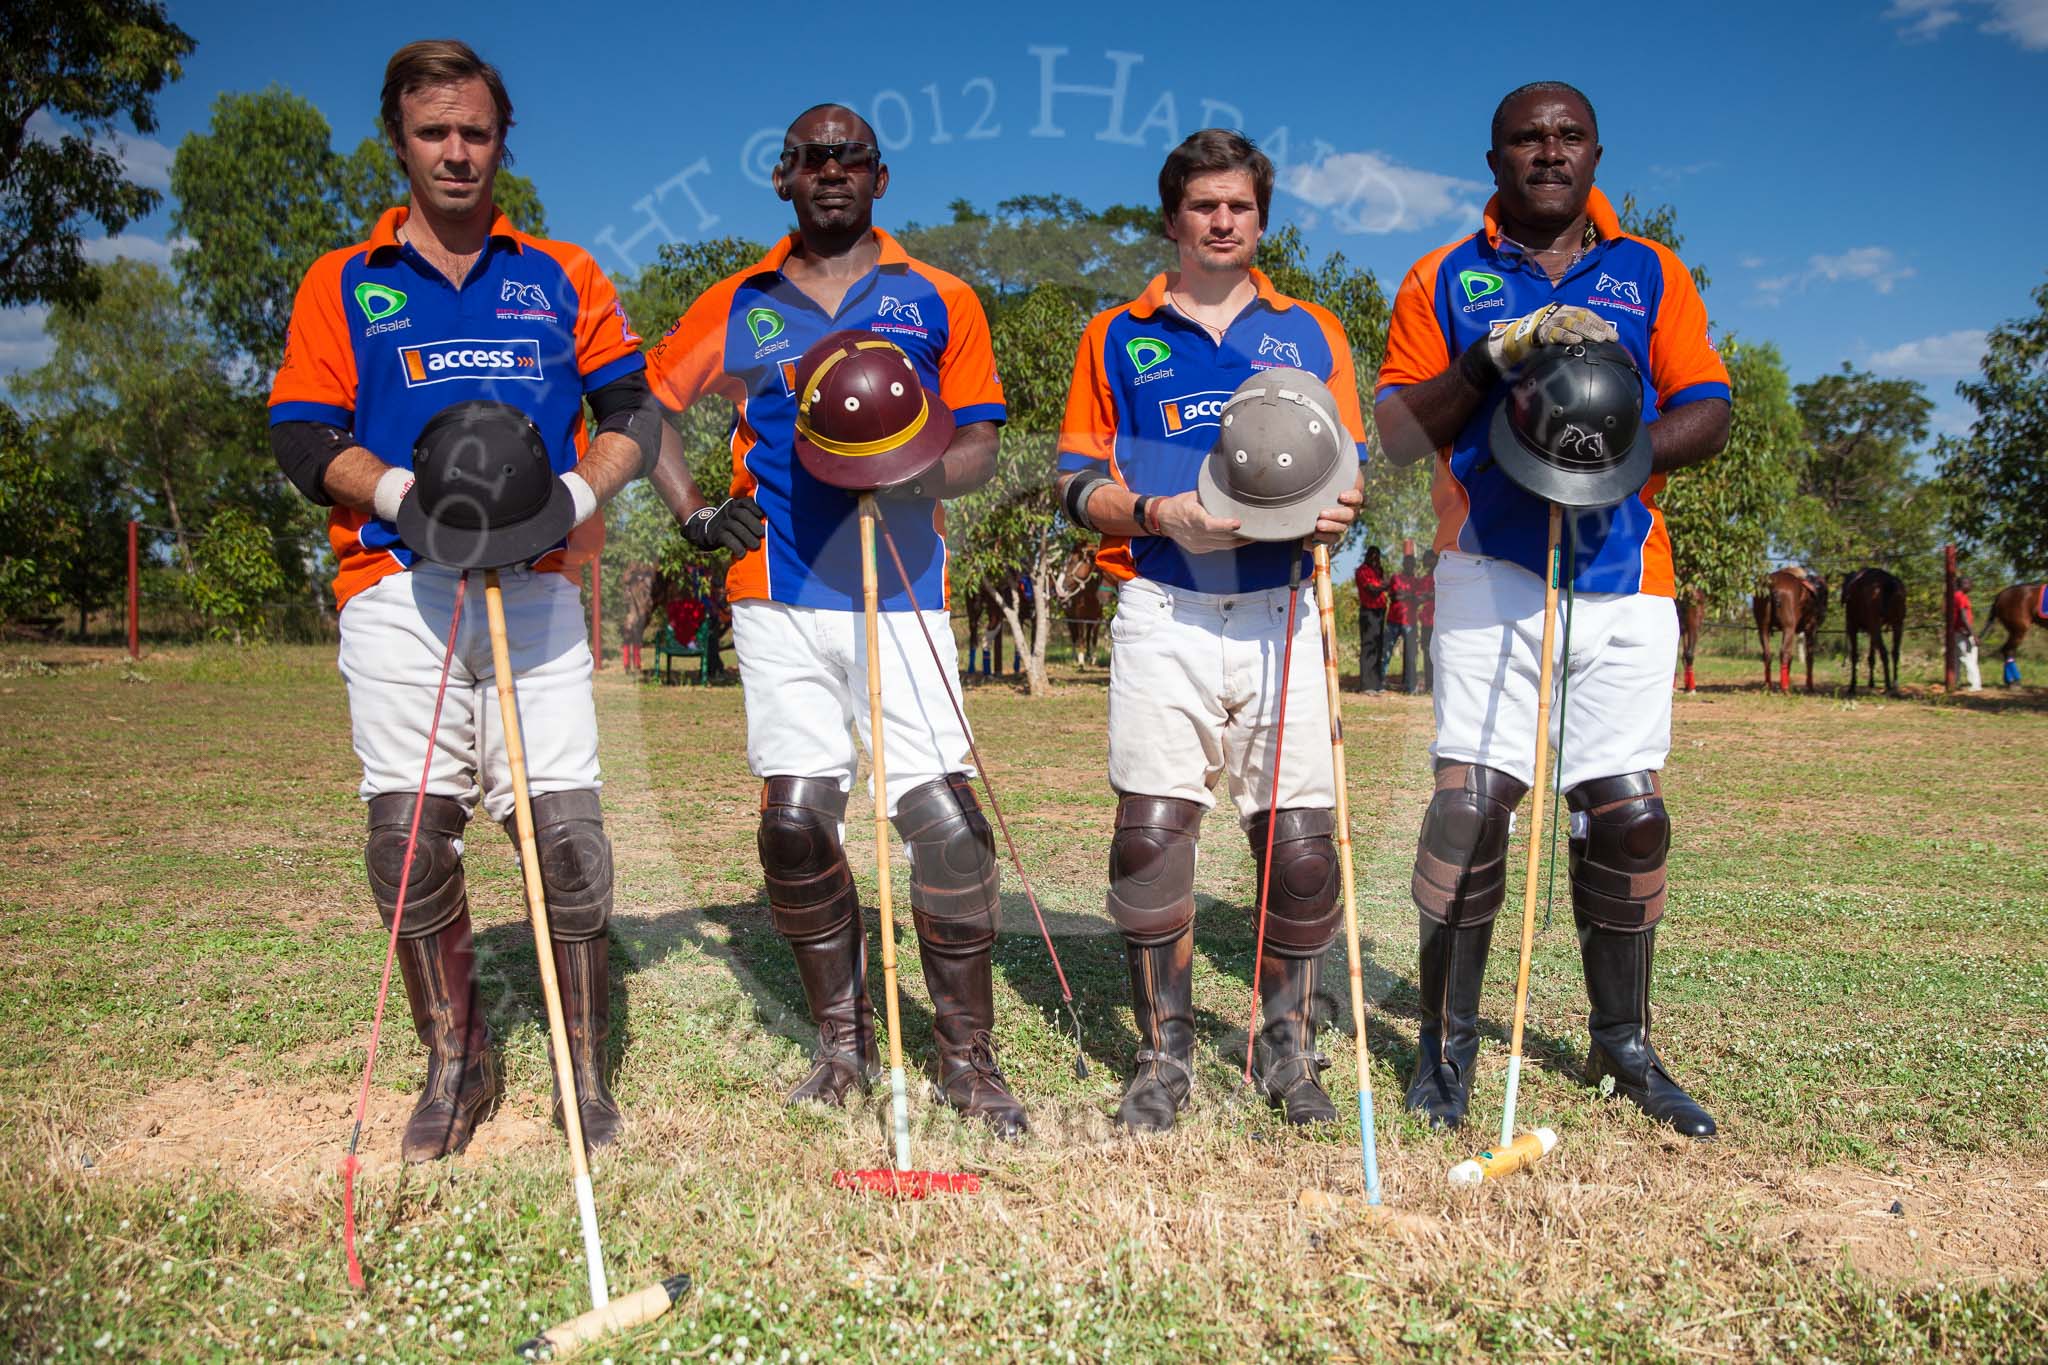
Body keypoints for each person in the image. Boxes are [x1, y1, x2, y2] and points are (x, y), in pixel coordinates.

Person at [267, 40, 659, 1160]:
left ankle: (583, 1074)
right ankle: (457, 1061)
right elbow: (302, 433)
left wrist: (574, 494)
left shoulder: (561, 275)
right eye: (433, 132)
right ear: (399, 142)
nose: (455, 153)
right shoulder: (346, 279)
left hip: (534, 590)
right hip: (399, 585)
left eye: (475, 133)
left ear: (502, 142)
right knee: (409, 840)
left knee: (567, 838)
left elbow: (635, 409)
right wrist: (407, 497)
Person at [641, 104, 1027, 1136]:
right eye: (811, 159)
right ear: (781, 178)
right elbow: (643, 408)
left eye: (849, 158)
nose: (830, 173)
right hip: (776, 593)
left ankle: (966, 1061)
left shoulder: (938, 296)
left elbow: (980, 443)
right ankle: (843, 1048)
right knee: (796, 822)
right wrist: (690, 510)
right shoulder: (738, 301)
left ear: (879, 177)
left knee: (944, 828)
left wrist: (905, 476)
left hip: (900, 591)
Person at [1374, 81, 1731, 1138]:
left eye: (1566, 136)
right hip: (1488, 567)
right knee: (1469, 808)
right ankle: (1444, 1049)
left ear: (1594, 152)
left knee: (1625, 815)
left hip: (1625, 575)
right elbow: (1395, 431)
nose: (1547, 151)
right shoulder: (1442, 275)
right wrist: (1489, 357)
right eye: (1524, 138)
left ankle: (1622, 1047)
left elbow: (1706, 407)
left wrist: (1619, 460)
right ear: (1491, 160)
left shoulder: (1650, 271)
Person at [1055, 129, 1365, 1131]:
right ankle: (1161, 1055)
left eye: (1237, 205)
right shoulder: (1116, 334)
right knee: (1150, 836)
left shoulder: (1309, 330)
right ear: (1171, 219)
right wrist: (1155, 513)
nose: (1221, 221)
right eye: (1202, 206)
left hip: (1281, 607)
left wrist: (1340, 510)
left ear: (1259, 219)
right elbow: (1071, 483)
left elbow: (1347, 468)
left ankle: (1287, 1050)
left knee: (1301, 844)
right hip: (1163, 603)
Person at [1354, 546, 1388, 693]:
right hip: (1368, 612)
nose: (1375, 559)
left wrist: (1383, 584)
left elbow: (1381, 585)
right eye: (1373, 556)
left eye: (1377, 556)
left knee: (1378, 646)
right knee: (1369, 647)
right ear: (1367, 556)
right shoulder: (1362, 571)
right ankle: (1366, 685)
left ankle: (1377, 683)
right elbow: (1371, 590)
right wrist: (1385, 586)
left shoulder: (1378, 571)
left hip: (1380, 611)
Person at [1387, 551, 1419, 693]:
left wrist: (1404, 595)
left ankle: (1409, 686)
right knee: (1386, 652)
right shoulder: (1396, 577)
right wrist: (1410, 595)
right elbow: (1395, 596)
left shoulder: (1417, 581)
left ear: (1414, 566)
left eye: (1412, 564)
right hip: (1393, 620)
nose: (1409, 566)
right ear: (1403, 564)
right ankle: (1379, 683)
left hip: (1410, 622)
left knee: (1410, 656)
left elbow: (1418, 599)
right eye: (1407, 563)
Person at [1952, 577, 1983, 692]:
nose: (1971, 585)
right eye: (1968, 583)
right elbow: (1963, 617)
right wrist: (1973, 634)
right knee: (1969, 658)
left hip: (1958, 631)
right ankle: (1975, 684)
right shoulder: (1960, 597)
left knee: (1957, 658)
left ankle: (1954, 681)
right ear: (1962, 584)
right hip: (1963, 632)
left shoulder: (1957, 596)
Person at [1417, 549, 1439, 693]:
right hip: (1426, 622)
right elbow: (1418, 596)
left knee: (1440, 653)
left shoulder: (1441, 576)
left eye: (1427, 558)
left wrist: (1430, 596)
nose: (1424, 562)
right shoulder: (1424, 579)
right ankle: (1429, 685)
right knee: (1427, 653)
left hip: (1440, 622)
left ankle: (1438, 685)